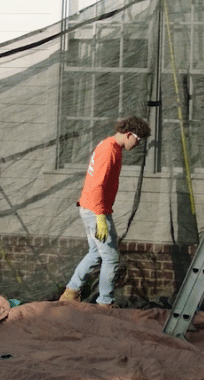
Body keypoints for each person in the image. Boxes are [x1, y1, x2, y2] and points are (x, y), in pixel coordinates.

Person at [59, 116, 152, 306]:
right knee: (111, 258)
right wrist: (100, 217)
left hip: (91, 208)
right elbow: (97, 186)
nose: (138, 144)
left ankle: (71, 291)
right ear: (128, 135)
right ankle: (105, 303)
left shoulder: (110, 146)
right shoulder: (109, 150)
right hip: (95, 210)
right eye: (138, 139)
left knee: (95, 253)